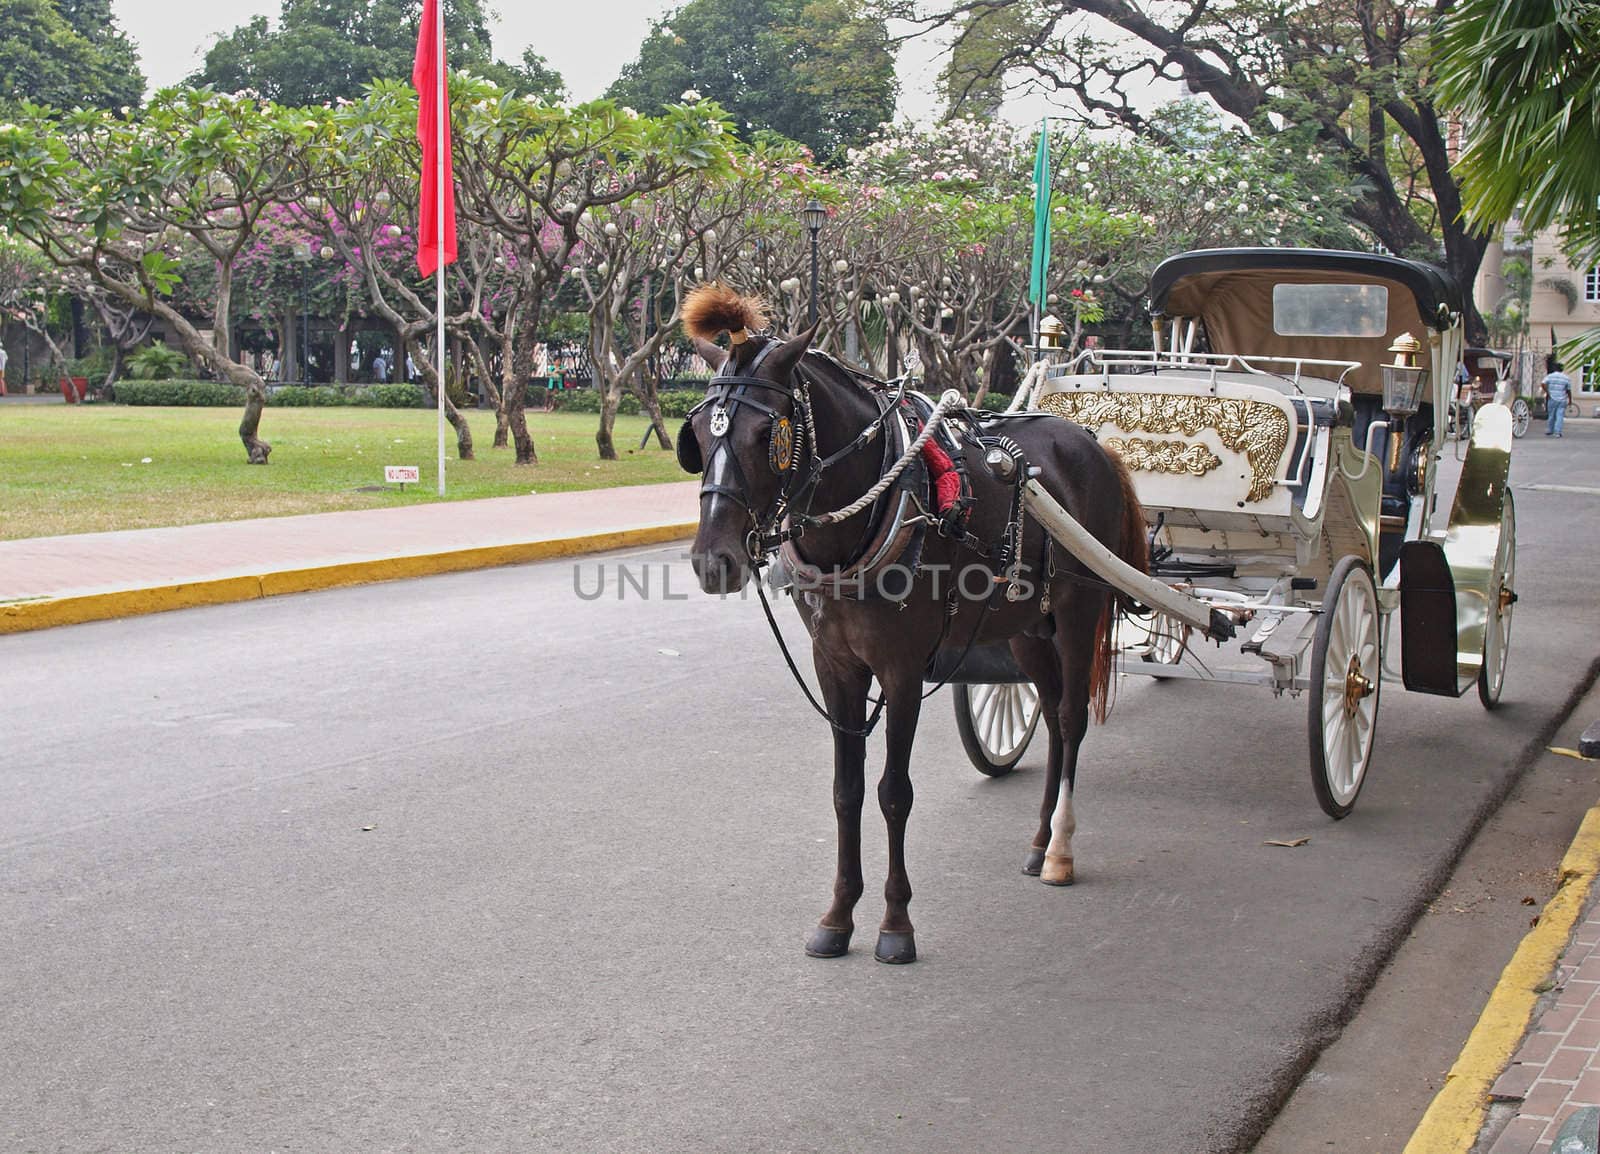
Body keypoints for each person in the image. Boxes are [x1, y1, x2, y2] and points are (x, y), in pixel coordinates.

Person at [1542, 360, 1573, 437]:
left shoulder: (1550, 376)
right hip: (1562, 399)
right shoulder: (1566, 378)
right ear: (1562, 369)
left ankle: (1550, 430)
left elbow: (1543, 383)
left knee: (1551, 415)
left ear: (1555, 368)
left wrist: (1547, 392)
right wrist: (1570, 400)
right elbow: (1568, 390)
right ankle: (1557, 432)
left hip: (1552, 398)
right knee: (1560, 415)